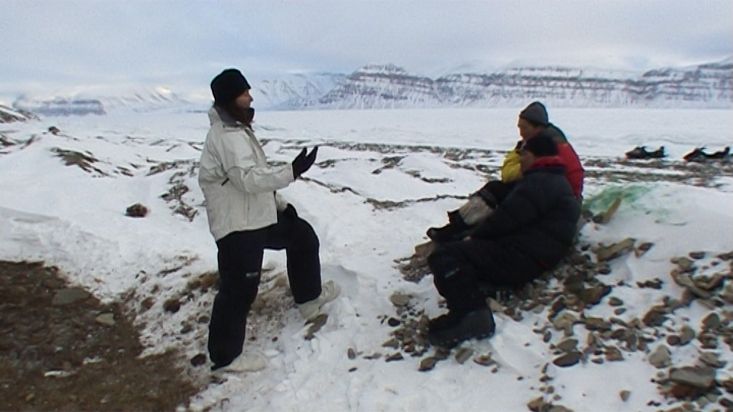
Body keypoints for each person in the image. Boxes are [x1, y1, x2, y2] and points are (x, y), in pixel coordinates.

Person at [198, 68, 340, 372]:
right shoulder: (225, 137)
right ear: (229, 98)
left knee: (302, 236)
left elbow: (252, 180)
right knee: (239, 289)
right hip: (237, 227)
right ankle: (225, 357)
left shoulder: (237, 130)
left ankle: (309, 300)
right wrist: (292, 171)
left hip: (256, 217)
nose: (250, 97)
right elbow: (248, 180)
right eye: (244, 92)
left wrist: (279, 204)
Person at [426, 131, 581, 348]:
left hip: (526, 257)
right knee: (467, 252)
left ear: (537, 156)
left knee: (445, 256)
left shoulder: (539, 183)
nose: (520, 159)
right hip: (535, 254)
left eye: (524, 154)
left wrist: (470, 238)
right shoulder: (552, 180)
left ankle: (471, 315)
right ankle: (482, 293)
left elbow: (505, 220)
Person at [427, 101, 584, 242]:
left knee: (497, 191)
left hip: (559, 201)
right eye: (519, 127)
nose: (521, 132)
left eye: (524, 127)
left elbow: (511, 174)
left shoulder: (544, 145)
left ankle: (463, 231)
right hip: (559, 195)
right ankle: (460, 228)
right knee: (501, 190)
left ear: (538, 127)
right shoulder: (544, 140)